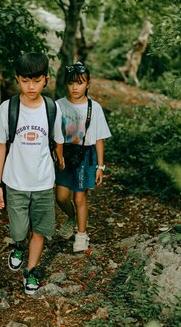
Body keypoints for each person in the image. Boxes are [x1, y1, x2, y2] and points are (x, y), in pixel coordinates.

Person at [0, 52, 64, 295]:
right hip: (15, 183)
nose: (31, 86)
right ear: (17, 80)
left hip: (43, 183)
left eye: (36, 80)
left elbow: (57, 140)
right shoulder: (8, 108)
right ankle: (18, 245)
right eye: (25, 80)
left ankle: (30, 271)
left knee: (40, 230)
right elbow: (1, 147)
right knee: (19, 230)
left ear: (46, 80)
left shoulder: (52, 109)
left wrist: (59, 158)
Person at [55, 62, 111, 252]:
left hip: (85, 155)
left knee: (80, 198)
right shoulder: (59, 105)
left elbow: (99, 139)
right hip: (64, 153)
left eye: (80, 83)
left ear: (88, 84)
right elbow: (55, 135)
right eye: (71, 83)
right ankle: (72, 217)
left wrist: (100, 166)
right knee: (61, 197)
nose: (75, 87)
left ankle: (81, 235)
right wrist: (58, 156)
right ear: (66, 84)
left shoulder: (94, 108)